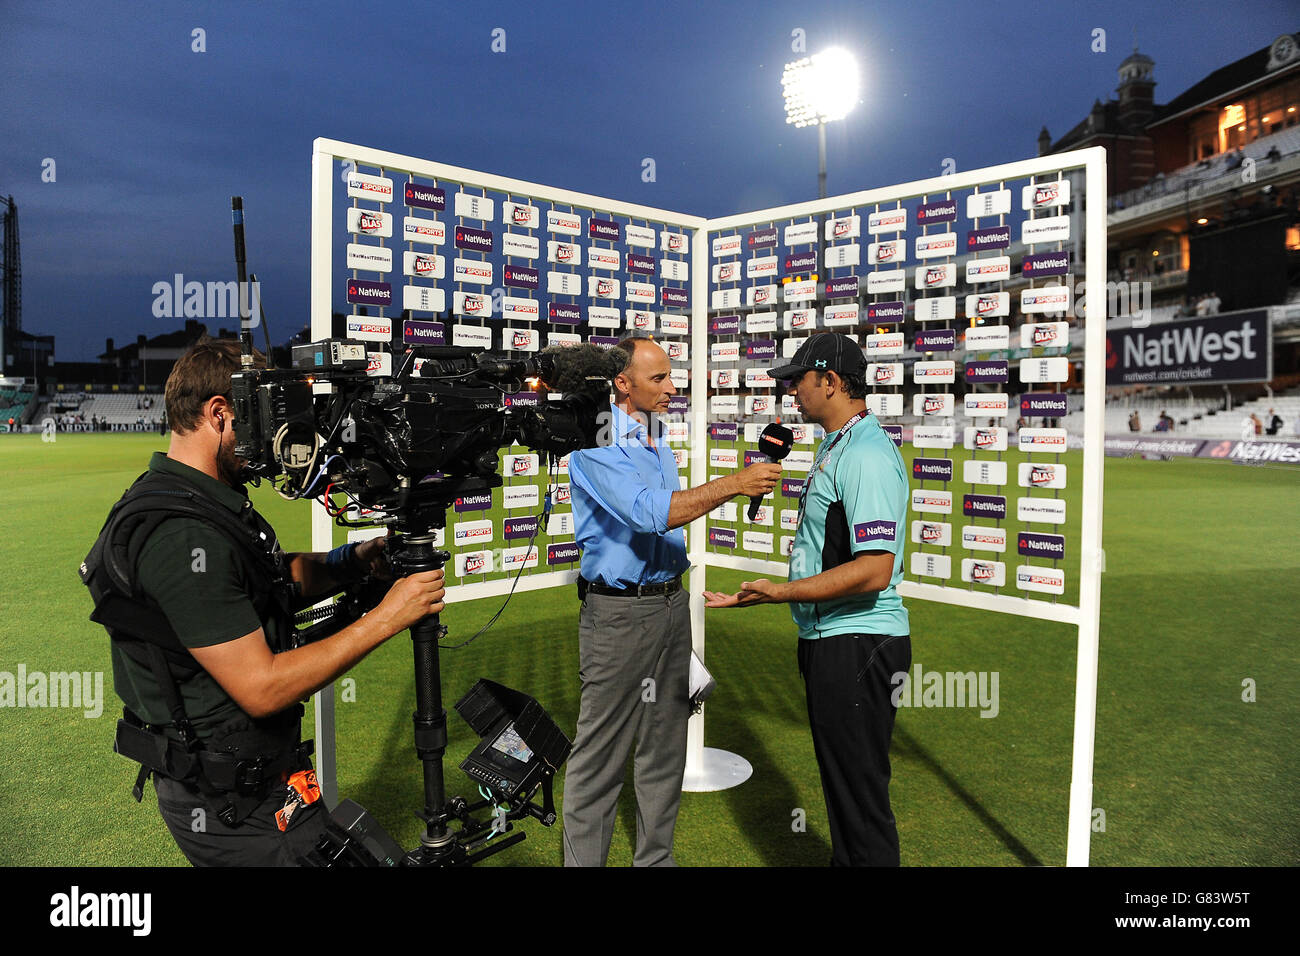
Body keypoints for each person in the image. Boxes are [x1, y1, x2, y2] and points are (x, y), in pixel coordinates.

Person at [82, 338, 446, 866]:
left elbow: (260, 579)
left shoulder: (197, 498)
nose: (279, 441)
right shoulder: (184, 537)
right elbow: (262, 686)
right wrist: (390, 616)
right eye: (267, 417)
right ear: (220, 414)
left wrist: (355, 561)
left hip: (252, 782)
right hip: (235, 803)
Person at [562, 336, 781, 867]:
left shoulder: (653, 433)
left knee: (664, 751)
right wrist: (735, 483)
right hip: (619, 613)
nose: (672, 387)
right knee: (599, 760)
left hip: (669, 604)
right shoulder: (595, 440)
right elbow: (647, 513)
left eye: (669, 376)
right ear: (622, 382)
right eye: (658, 378)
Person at [704, 332, 911, 866]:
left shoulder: (865, 453)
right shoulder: (840, 441)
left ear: (833, 382)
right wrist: (771, 597)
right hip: (831, 639)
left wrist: (781, 593)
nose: (792, 391)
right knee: (847, 797)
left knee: (861, 806)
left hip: (859, 645)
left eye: (800, 380)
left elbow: (874, 569)